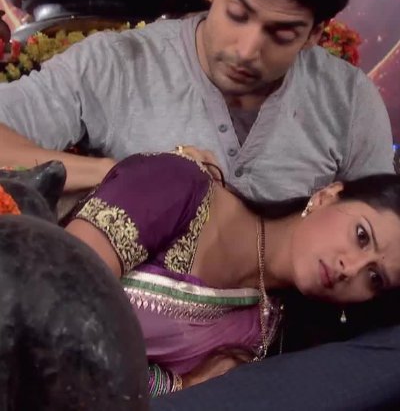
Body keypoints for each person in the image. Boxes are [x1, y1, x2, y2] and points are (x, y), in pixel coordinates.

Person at [0, 0, 393, 198]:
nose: (246, 50)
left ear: (315, 34)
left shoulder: (349, 102)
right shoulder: (117, 63)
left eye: (281, 34)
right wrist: (123, 175)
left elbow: (383, 236)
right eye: (237, 14)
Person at [62, 150, 400, 398]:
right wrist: (180, 386)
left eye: (375, 278)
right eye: (361, 236)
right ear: (328, 196)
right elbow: (55, 306)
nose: (349, 269)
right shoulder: (176, 185)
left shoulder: (272, 340)